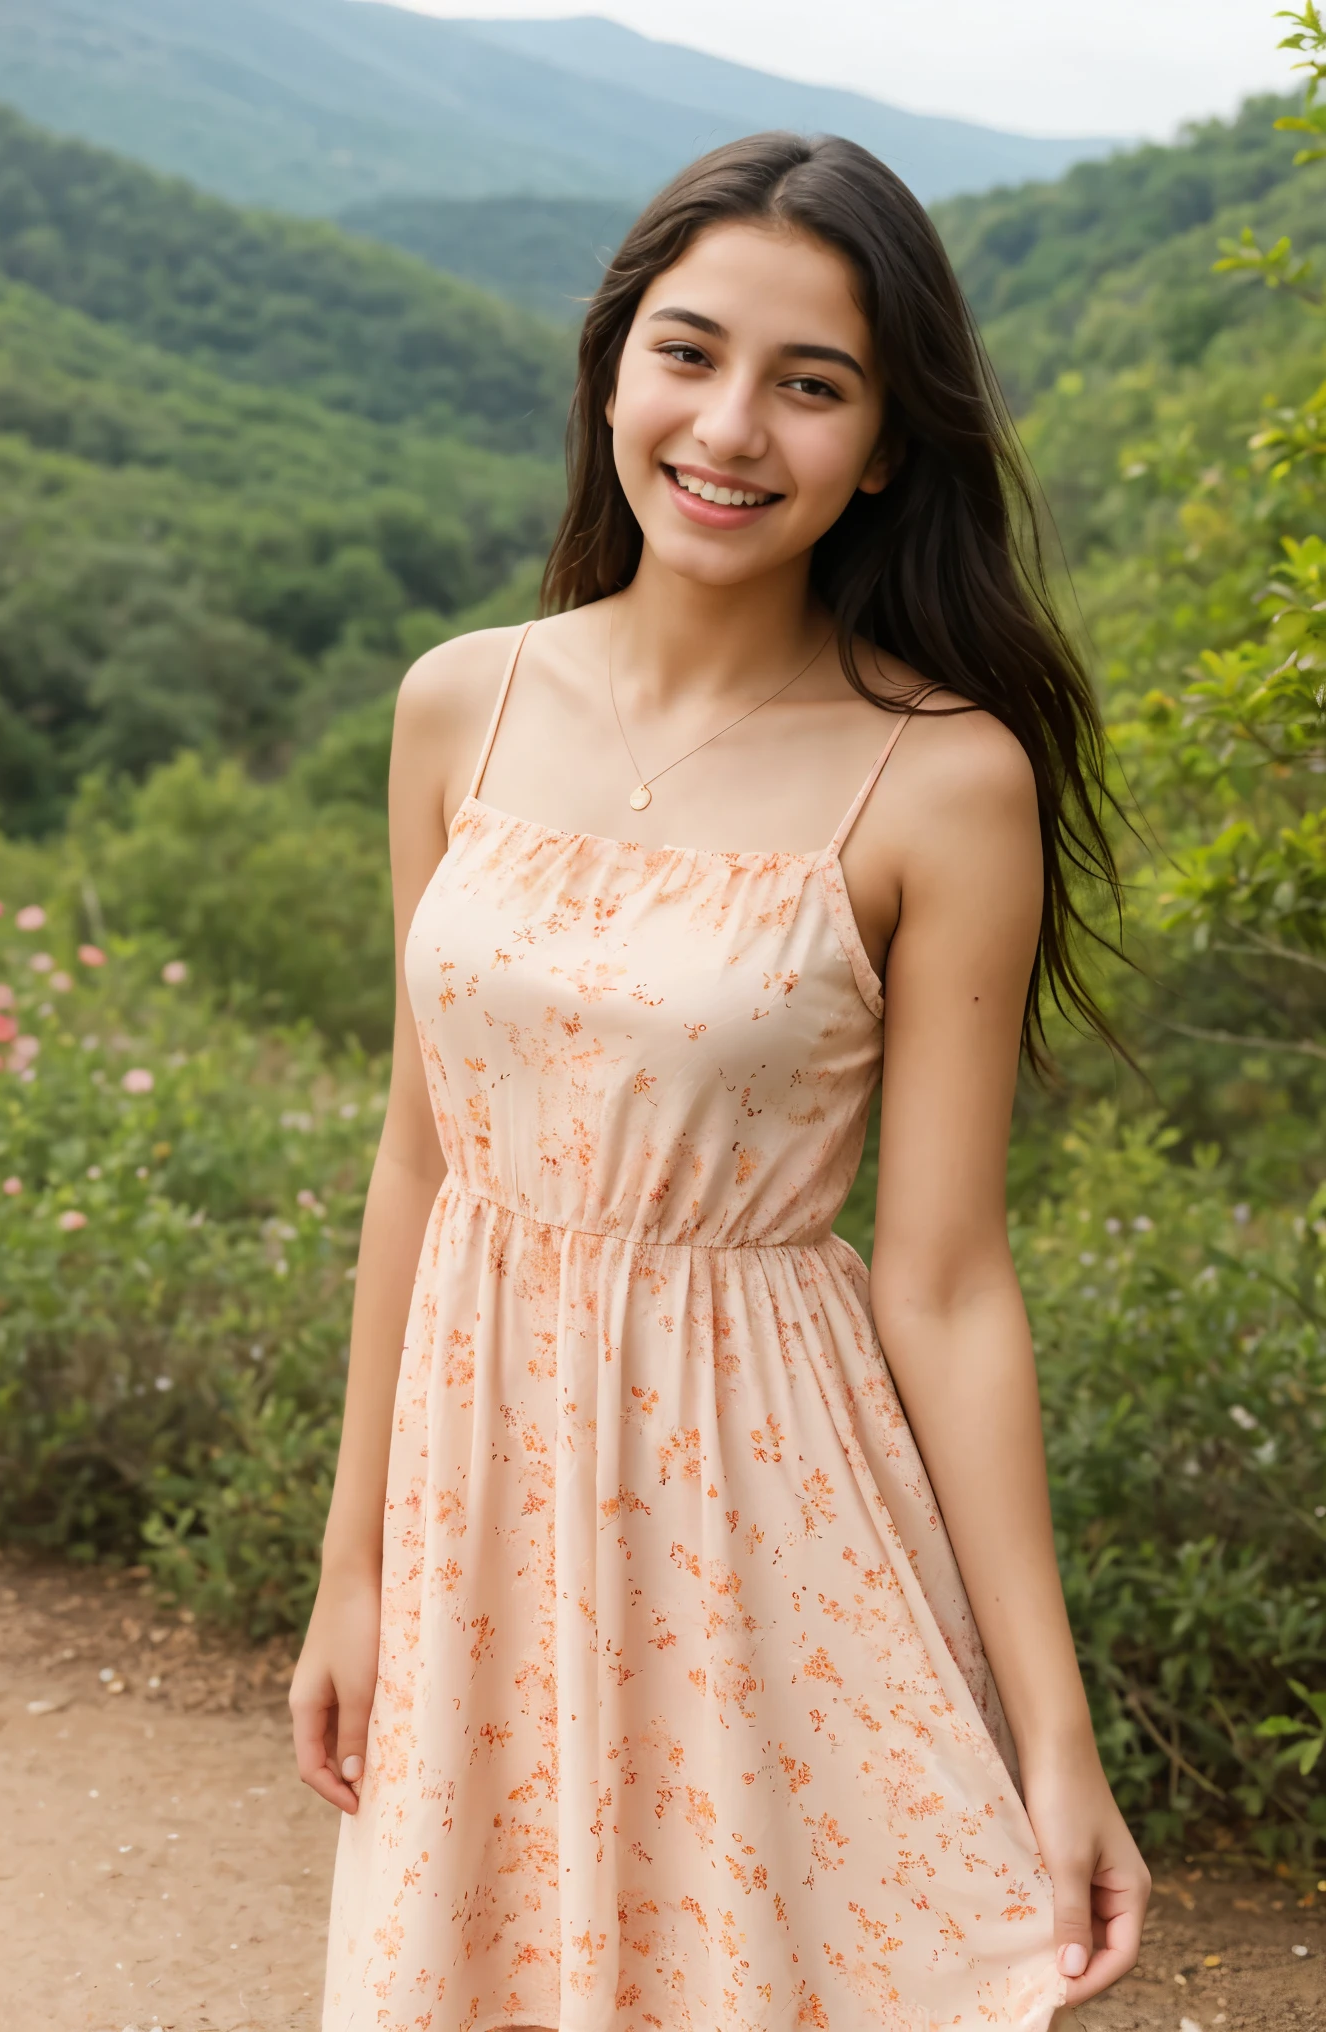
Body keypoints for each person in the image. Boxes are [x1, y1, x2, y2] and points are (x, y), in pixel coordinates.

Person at [291, 131, 1149, 2032]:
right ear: (613, 367)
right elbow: (421, 1168)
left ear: (888, 443)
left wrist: (1054, 1727)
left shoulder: (942, 779)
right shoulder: (462, 704)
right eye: (688, 353)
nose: (731, 426)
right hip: (477, 1507)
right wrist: (351, 1566)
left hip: (762, 1520)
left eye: (811, 383)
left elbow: (943, 1280)